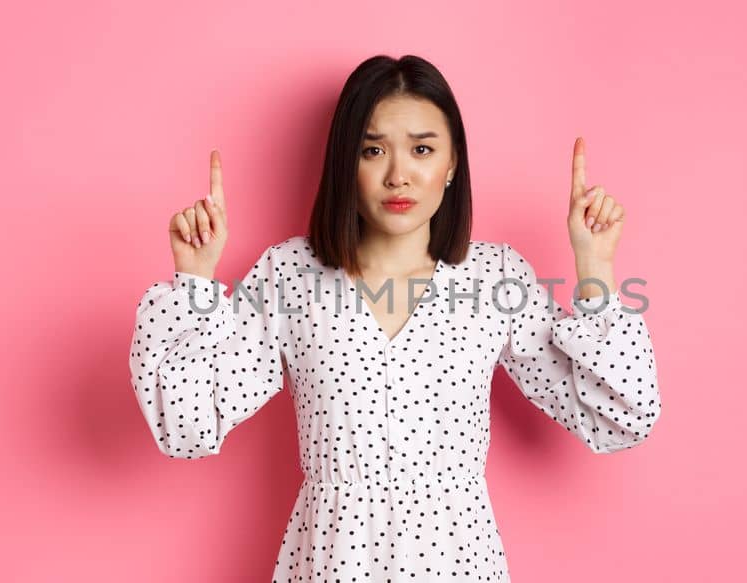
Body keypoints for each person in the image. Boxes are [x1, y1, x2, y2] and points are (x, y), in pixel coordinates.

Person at [130, 54, 661, 582]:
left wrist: (595, 265)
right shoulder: (289, 274)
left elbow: (619, 417)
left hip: (458, 565)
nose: (398, 175)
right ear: (346, 161)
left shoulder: (497, 278)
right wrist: (195, 278)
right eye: (373, 149)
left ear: (452, 164)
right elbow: (186, 427)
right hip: (333, 563)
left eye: (422, 149)